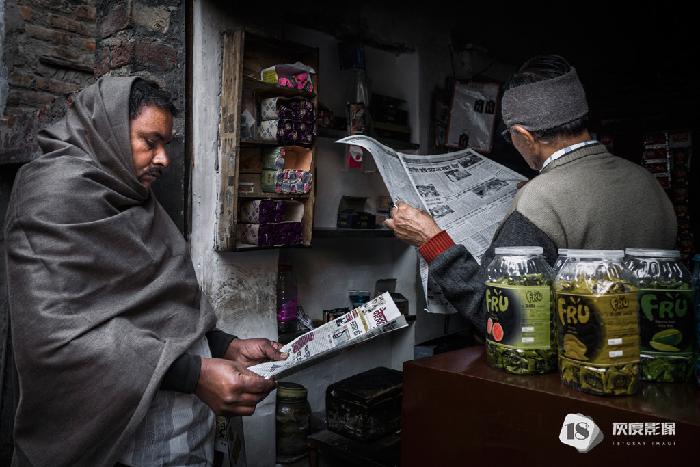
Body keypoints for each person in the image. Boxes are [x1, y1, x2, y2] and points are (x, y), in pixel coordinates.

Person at [4, 77, 283, 467]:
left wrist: (223, 345)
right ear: (108, 133)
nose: (163, 159)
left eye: (165, 144)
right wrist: (193, 375)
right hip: (113, 437)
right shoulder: (51, 197)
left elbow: (159, 306)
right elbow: (56, 335)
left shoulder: (132, 193)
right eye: (150, 142)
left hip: (179, 430)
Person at [385, 54, 676, 330]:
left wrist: (431, 242)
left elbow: (497, 314)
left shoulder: (539, 201)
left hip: (573, 361)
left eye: (510, 134)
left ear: (524, 136)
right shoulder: (647, 182)